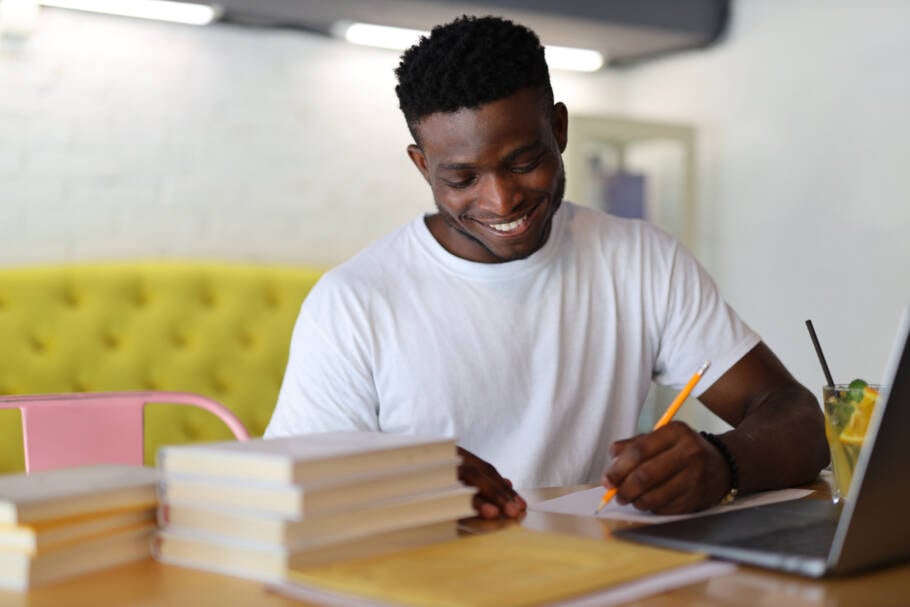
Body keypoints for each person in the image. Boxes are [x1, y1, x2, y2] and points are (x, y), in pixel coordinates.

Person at [266, 15, 828, 519]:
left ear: (558, 129)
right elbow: (281, 496)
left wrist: (722, 462)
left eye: (524, 162)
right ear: (422, 166)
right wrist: (404, 481)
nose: (501, 201)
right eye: (462, 179)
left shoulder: (641, 262)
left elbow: (799, 420)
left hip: (594, 575)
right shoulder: (355, 302)